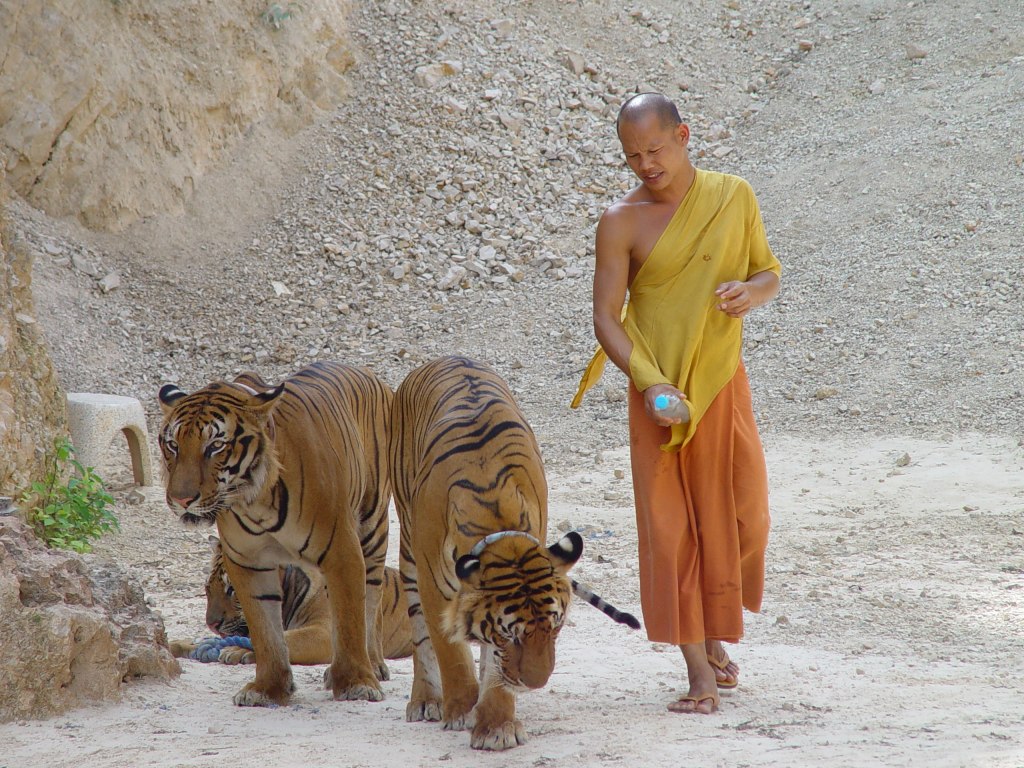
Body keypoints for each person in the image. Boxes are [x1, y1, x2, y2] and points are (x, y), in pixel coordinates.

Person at [570, 92, 780, 714]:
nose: (645, 165)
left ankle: (716, 631)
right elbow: (606, 318)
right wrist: (649, 382)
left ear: (684, 136)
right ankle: (699, 673)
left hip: (719, 383)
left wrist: (752, 292)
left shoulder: (732, 196)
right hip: (657, 393)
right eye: (633, 156)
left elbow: (769, 271)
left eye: (656, 150)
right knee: (670, 532)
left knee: (746, 516)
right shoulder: (620, 221)